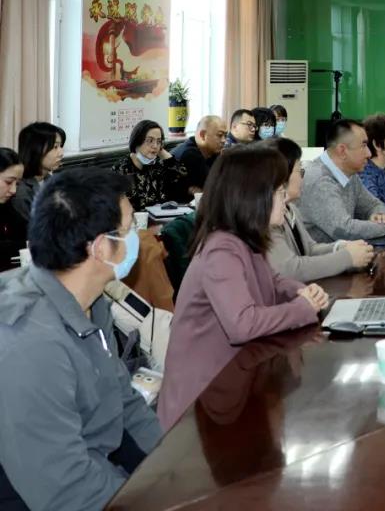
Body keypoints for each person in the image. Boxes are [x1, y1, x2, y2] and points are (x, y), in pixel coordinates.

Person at [0, 169, 162, 509]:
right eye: (130, 228)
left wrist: (173, 469)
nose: (138, 236)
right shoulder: (29, 343)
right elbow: (64, 488)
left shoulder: (90, 302)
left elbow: (124, 401)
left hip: (92, 466)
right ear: (101, 248)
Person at [158, 145, 330, 431]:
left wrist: (299, 292)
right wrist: (302, 309)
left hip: (234, 377)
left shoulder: (245, 238)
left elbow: (272, 281)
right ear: (253, 197)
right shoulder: (222, 249)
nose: (286, 198)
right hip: (204, 395)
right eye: (279, 192)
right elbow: (242, 324)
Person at [263, 137, 374, 282]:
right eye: (300, 170)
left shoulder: (291, 208)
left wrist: (341, 247)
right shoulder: (268, 217)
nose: (302, 177)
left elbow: (309, 249)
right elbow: (292, 269)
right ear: (283, 175)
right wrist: (347, 257)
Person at [299, 120, 385, 243]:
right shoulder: (320, 181)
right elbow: (344, 230)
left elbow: (374, 204)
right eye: (363, 145)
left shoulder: (349, 174)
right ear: (342, 151)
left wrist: (379, 215)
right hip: (327, 253)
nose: (369, 153)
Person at [112, 120, 189, 210]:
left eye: (158, 141)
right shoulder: (121, 169)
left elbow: (183, 176)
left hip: (162, 216)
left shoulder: (157, 165)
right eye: (149, 141)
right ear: (137, 141)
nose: (155, 146)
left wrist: (161, 151)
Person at [12, 122, 65, 224]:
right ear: (36, 149)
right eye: (55, 147)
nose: (61, 153)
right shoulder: (21, 191)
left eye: (60, 146)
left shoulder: (50, 180)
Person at [172, 115, 227, 195]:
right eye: (220, 135)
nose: (224, 140)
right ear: (203, 135)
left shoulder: (212, 152)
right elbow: (214, 188)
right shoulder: (190, 154)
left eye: (225, 135)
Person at [0, 148, 26, 270]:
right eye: (9, 182)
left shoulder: (5, 205)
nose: (14, 190)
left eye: (17, 184)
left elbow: (24, 229)